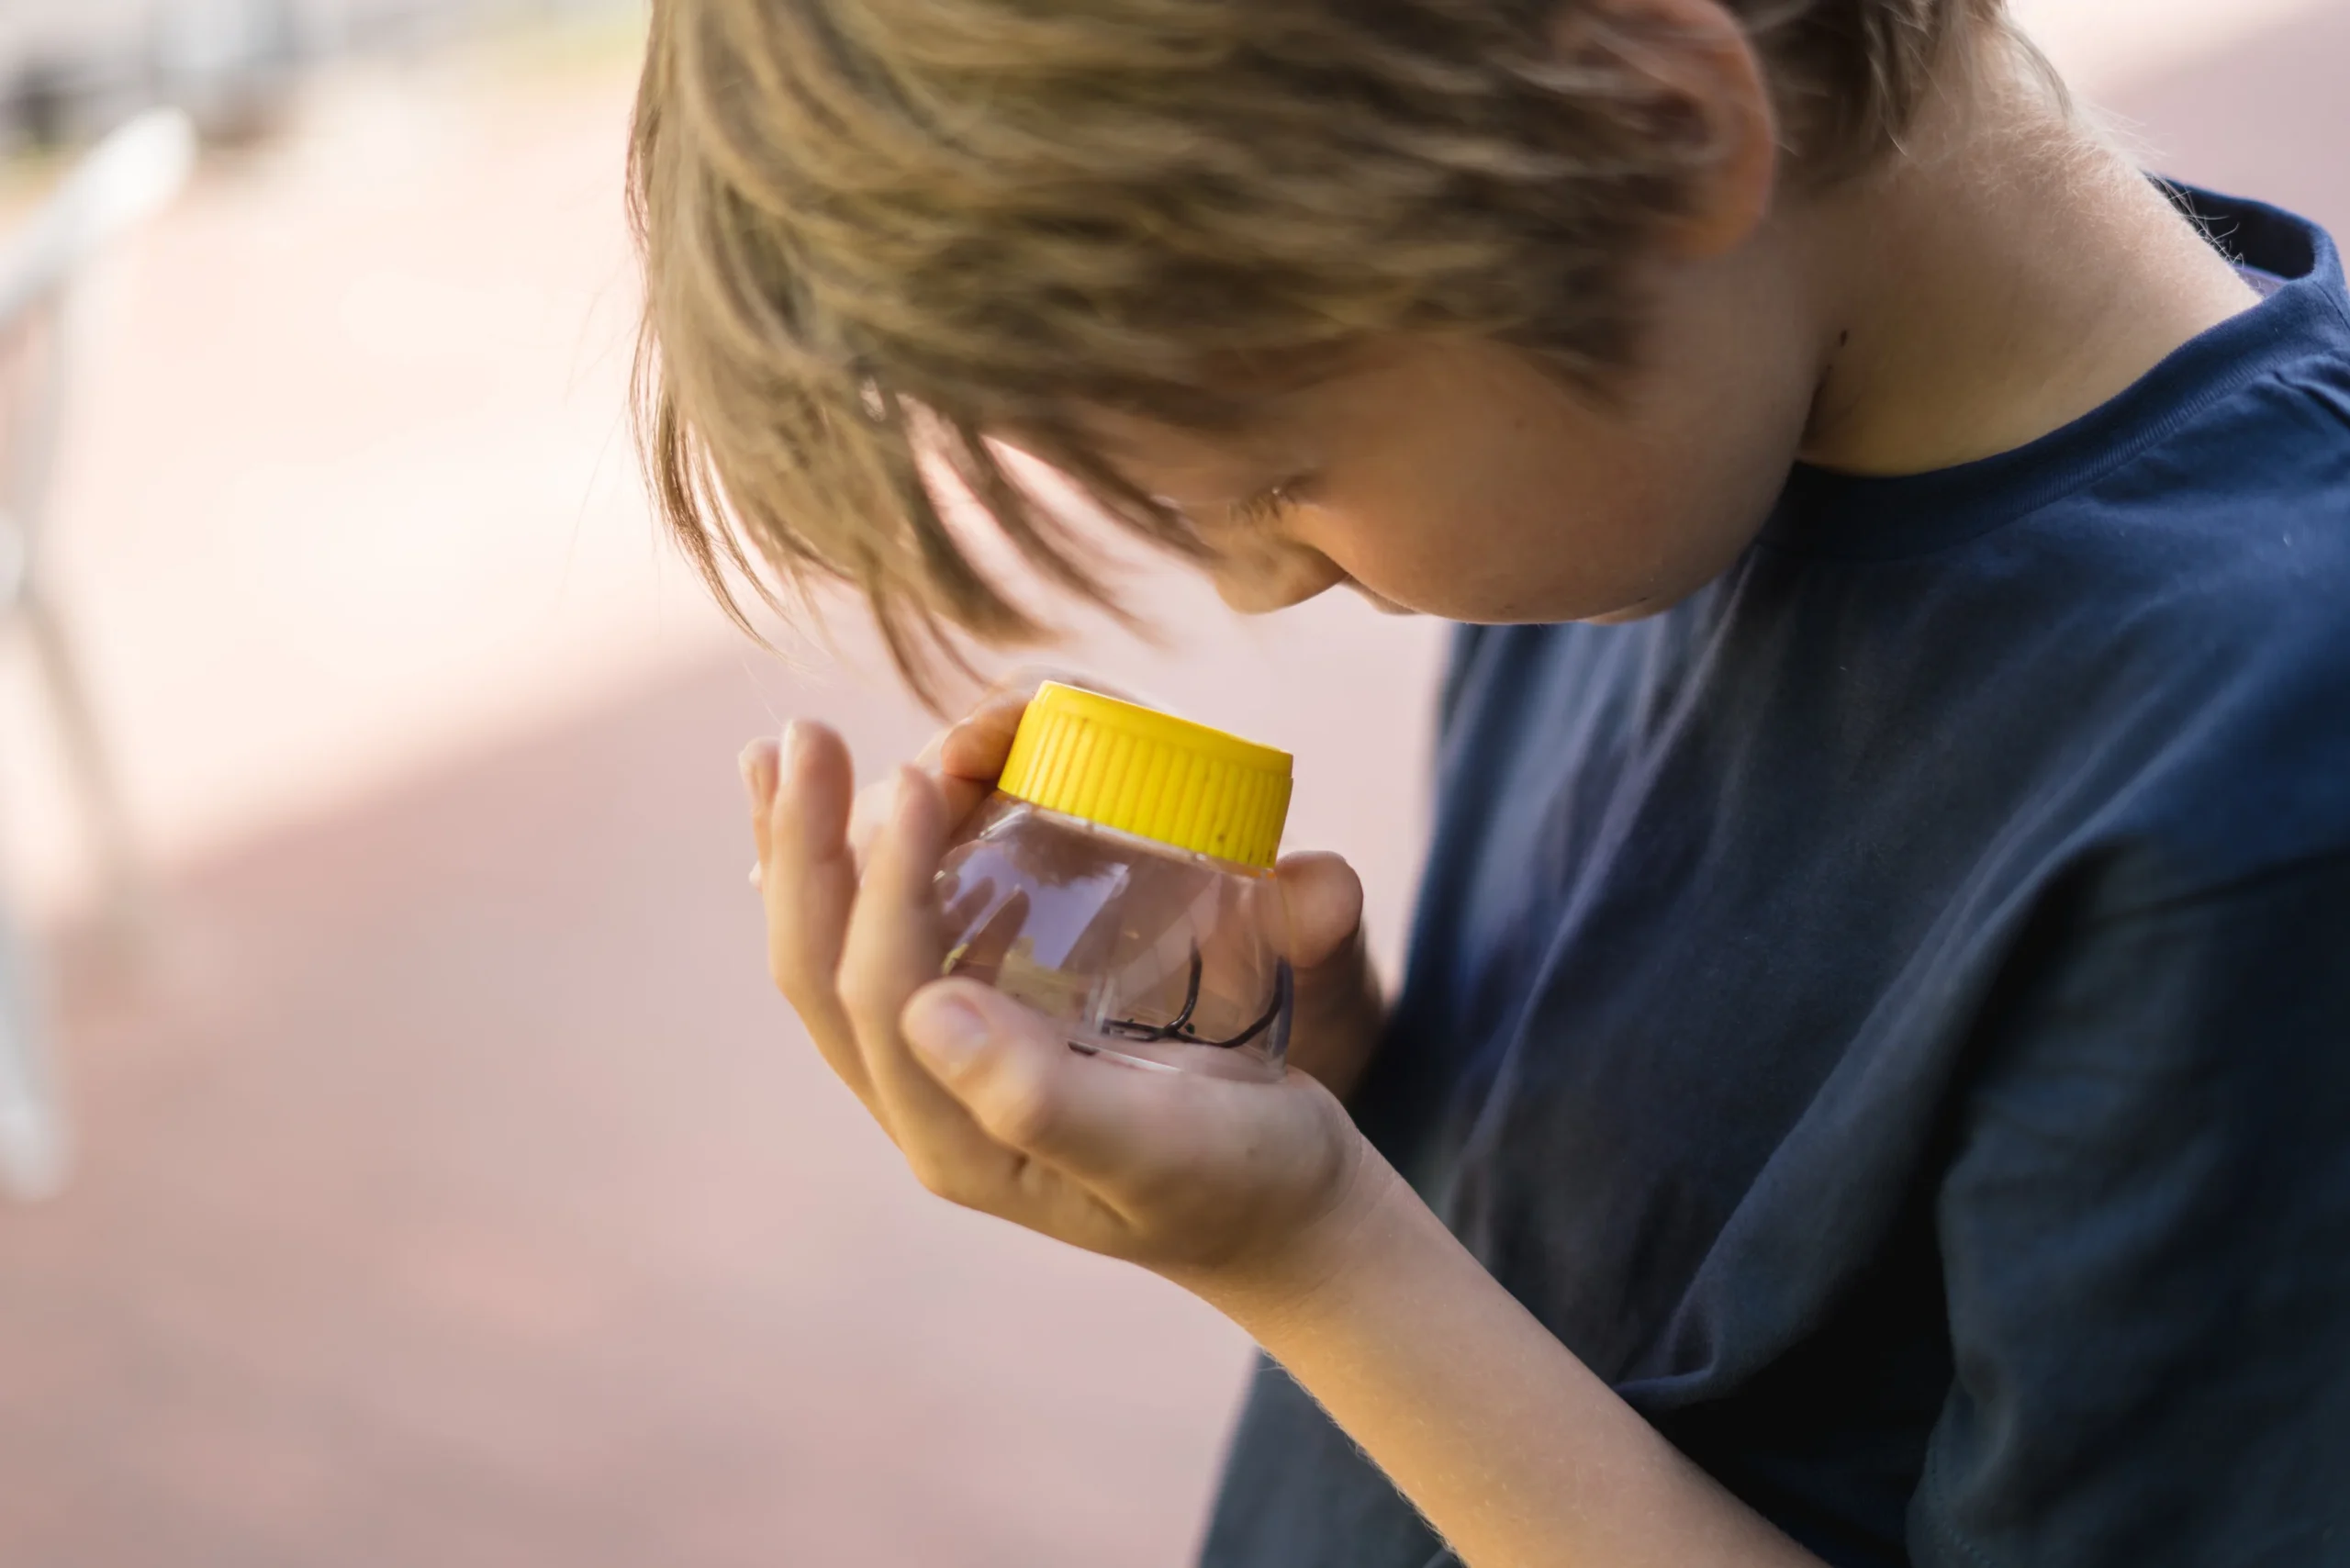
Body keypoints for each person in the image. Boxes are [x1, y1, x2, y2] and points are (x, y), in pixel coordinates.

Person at [628, 0, 2350, 1562]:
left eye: (1279, 479)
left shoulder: (2269, 783)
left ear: (1653, 128)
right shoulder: (1669, 457)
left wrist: (1309, 1253)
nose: (1255, 587)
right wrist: (1354, 1077)